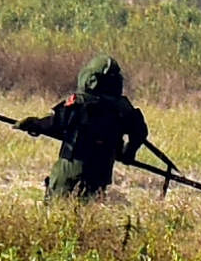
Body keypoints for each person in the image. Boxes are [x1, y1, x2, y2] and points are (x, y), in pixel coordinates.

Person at [13, 55, 148, 199]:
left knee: (59, 209)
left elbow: (57, 122)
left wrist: (34, 124)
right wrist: (128, 152)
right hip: (101, 173)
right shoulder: (124, 108)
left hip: (72, 170)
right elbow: (140, 132)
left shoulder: (80, 102)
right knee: (89, 211)